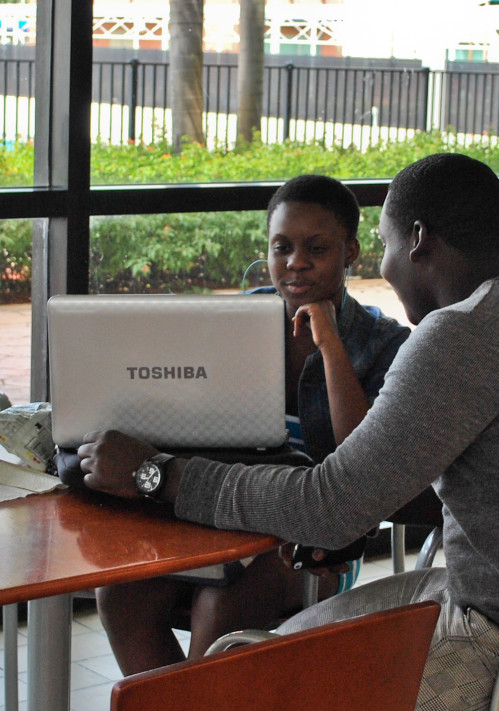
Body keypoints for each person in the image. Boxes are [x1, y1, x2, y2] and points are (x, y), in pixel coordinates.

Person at [79, 153, 499, 711]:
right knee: (242, 657)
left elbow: (331, 507)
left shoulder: (463, 334)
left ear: (416, 241)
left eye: (383, 245)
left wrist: (157, 474)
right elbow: (407, 492)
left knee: (240, 679)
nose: (385, 269)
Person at [94, 174, 411, 676]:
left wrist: (330, 344)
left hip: (313, 544)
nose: (296, 262)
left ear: (350, 252)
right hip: (214, 517)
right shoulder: (235, 322)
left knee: (220, 610)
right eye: (281, 247)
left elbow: (359, 470)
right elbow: (188, 425)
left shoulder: (384, 344)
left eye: (317, 248)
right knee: (120, 593)